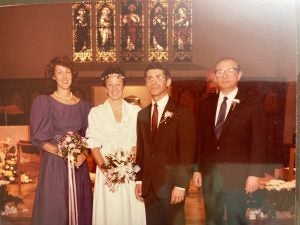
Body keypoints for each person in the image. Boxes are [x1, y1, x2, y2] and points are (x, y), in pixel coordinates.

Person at [192, 57, 267, 225]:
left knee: (237, 219)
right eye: (220, 72)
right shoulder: (206, 104)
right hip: (211, 175)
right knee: (212, 219)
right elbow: (200, 139)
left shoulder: (252, 103)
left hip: (238, 175)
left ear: (239, 75)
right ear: (214, 77)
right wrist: (197, 169)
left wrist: (254, 174)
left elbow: (258, 141)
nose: (224, 75)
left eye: (230, 71)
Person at [30, 56, 93, 225]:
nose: (64, 76)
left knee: (79, 206)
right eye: (59, 72)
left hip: (78, 165)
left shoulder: (84, 106)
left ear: (73, 74)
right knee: (56, 208)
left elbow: (88, 137)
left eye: (67, 72)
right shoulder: (44, 102)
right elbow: (39, 139)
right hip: (55, 163)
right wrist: (64, 153)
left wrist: (82, 153)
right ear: (53, 76)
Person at [135, 63, 196, 225]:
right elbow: (141, 152)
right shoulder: (142, 114)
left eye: (158, 77)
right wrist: (139, 180)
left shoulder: (182, 112)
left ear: (168, 82)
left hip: (172, 186)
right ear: (146, 83)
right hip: (149, 187)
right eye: (150, 78)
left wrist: (181, 185)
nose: (153, 82)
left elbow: (187, 152)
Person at [85, 66, 146, 225]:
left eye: (118, 84)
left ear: (123, 86)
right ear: (105, 88)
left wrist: (132, 157)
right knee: (111, 211)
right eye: (110, 84)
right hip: (107, 170)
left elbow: (141, 141)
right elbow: (94, 145)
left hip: (131, 169)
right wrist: (107, 170)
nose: (114, 88)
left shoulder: (135, 111)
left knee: (131, 206)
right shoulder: (96, 113)